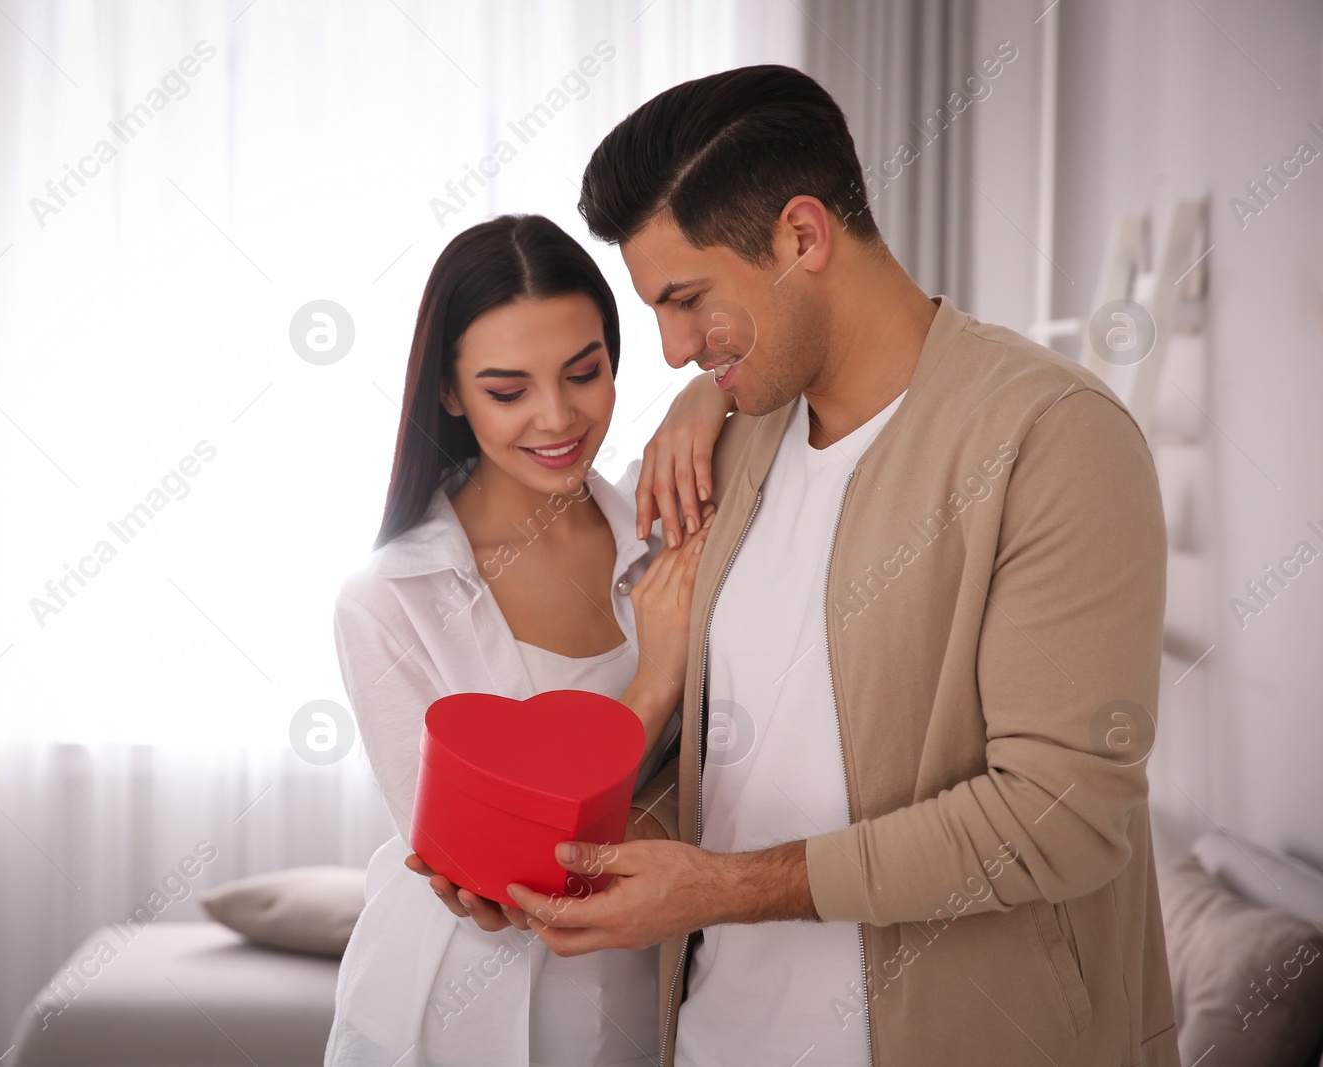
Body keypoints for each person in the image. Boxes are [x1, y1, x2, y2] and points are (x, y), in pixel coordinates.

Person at [501, 65, 1180, 1067]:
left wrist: (724, 887)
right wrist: (538, 858)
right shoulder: (728, 447)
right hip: (717, 1039)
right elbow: (727, 766)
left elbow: (1059, 815)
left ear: (802, 236)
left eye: (687, 301)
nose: (674, 348)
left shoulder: (1050, 439)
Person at [325, 213, 733, 1067]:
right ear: (449, 391)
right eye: (508, 390)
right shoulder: (389, 601)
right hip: (446, 1018)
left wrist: (707, 391)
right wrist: (653, 683)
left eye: (584, 373)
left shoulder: (661, 527)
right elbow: (510, 877)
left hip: (633, 998)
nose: (558, 418)